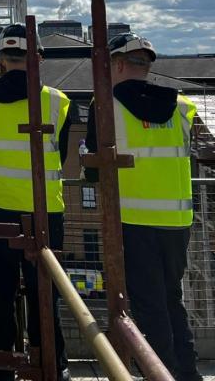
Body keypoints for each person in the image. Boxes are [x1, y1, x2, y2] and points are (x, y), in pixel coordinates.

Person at [85, 33, 201, 381]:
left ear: (117, 64)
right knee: (171, 301)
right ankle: (187, 373)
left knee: (148, 308)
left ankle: (160, 372)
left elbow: (92, 169)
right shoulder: (182, 107)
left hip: (132, 220)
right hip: (177, 220)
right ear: (147, 65)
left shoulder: (105, 104)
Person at [0, 24, 72, 381]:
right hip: (45, 212)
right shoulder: (58, 101)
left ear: (0, 61)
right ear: (36, 58)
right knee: (45, 294)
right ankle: (53, 366)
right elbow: (63, 154)